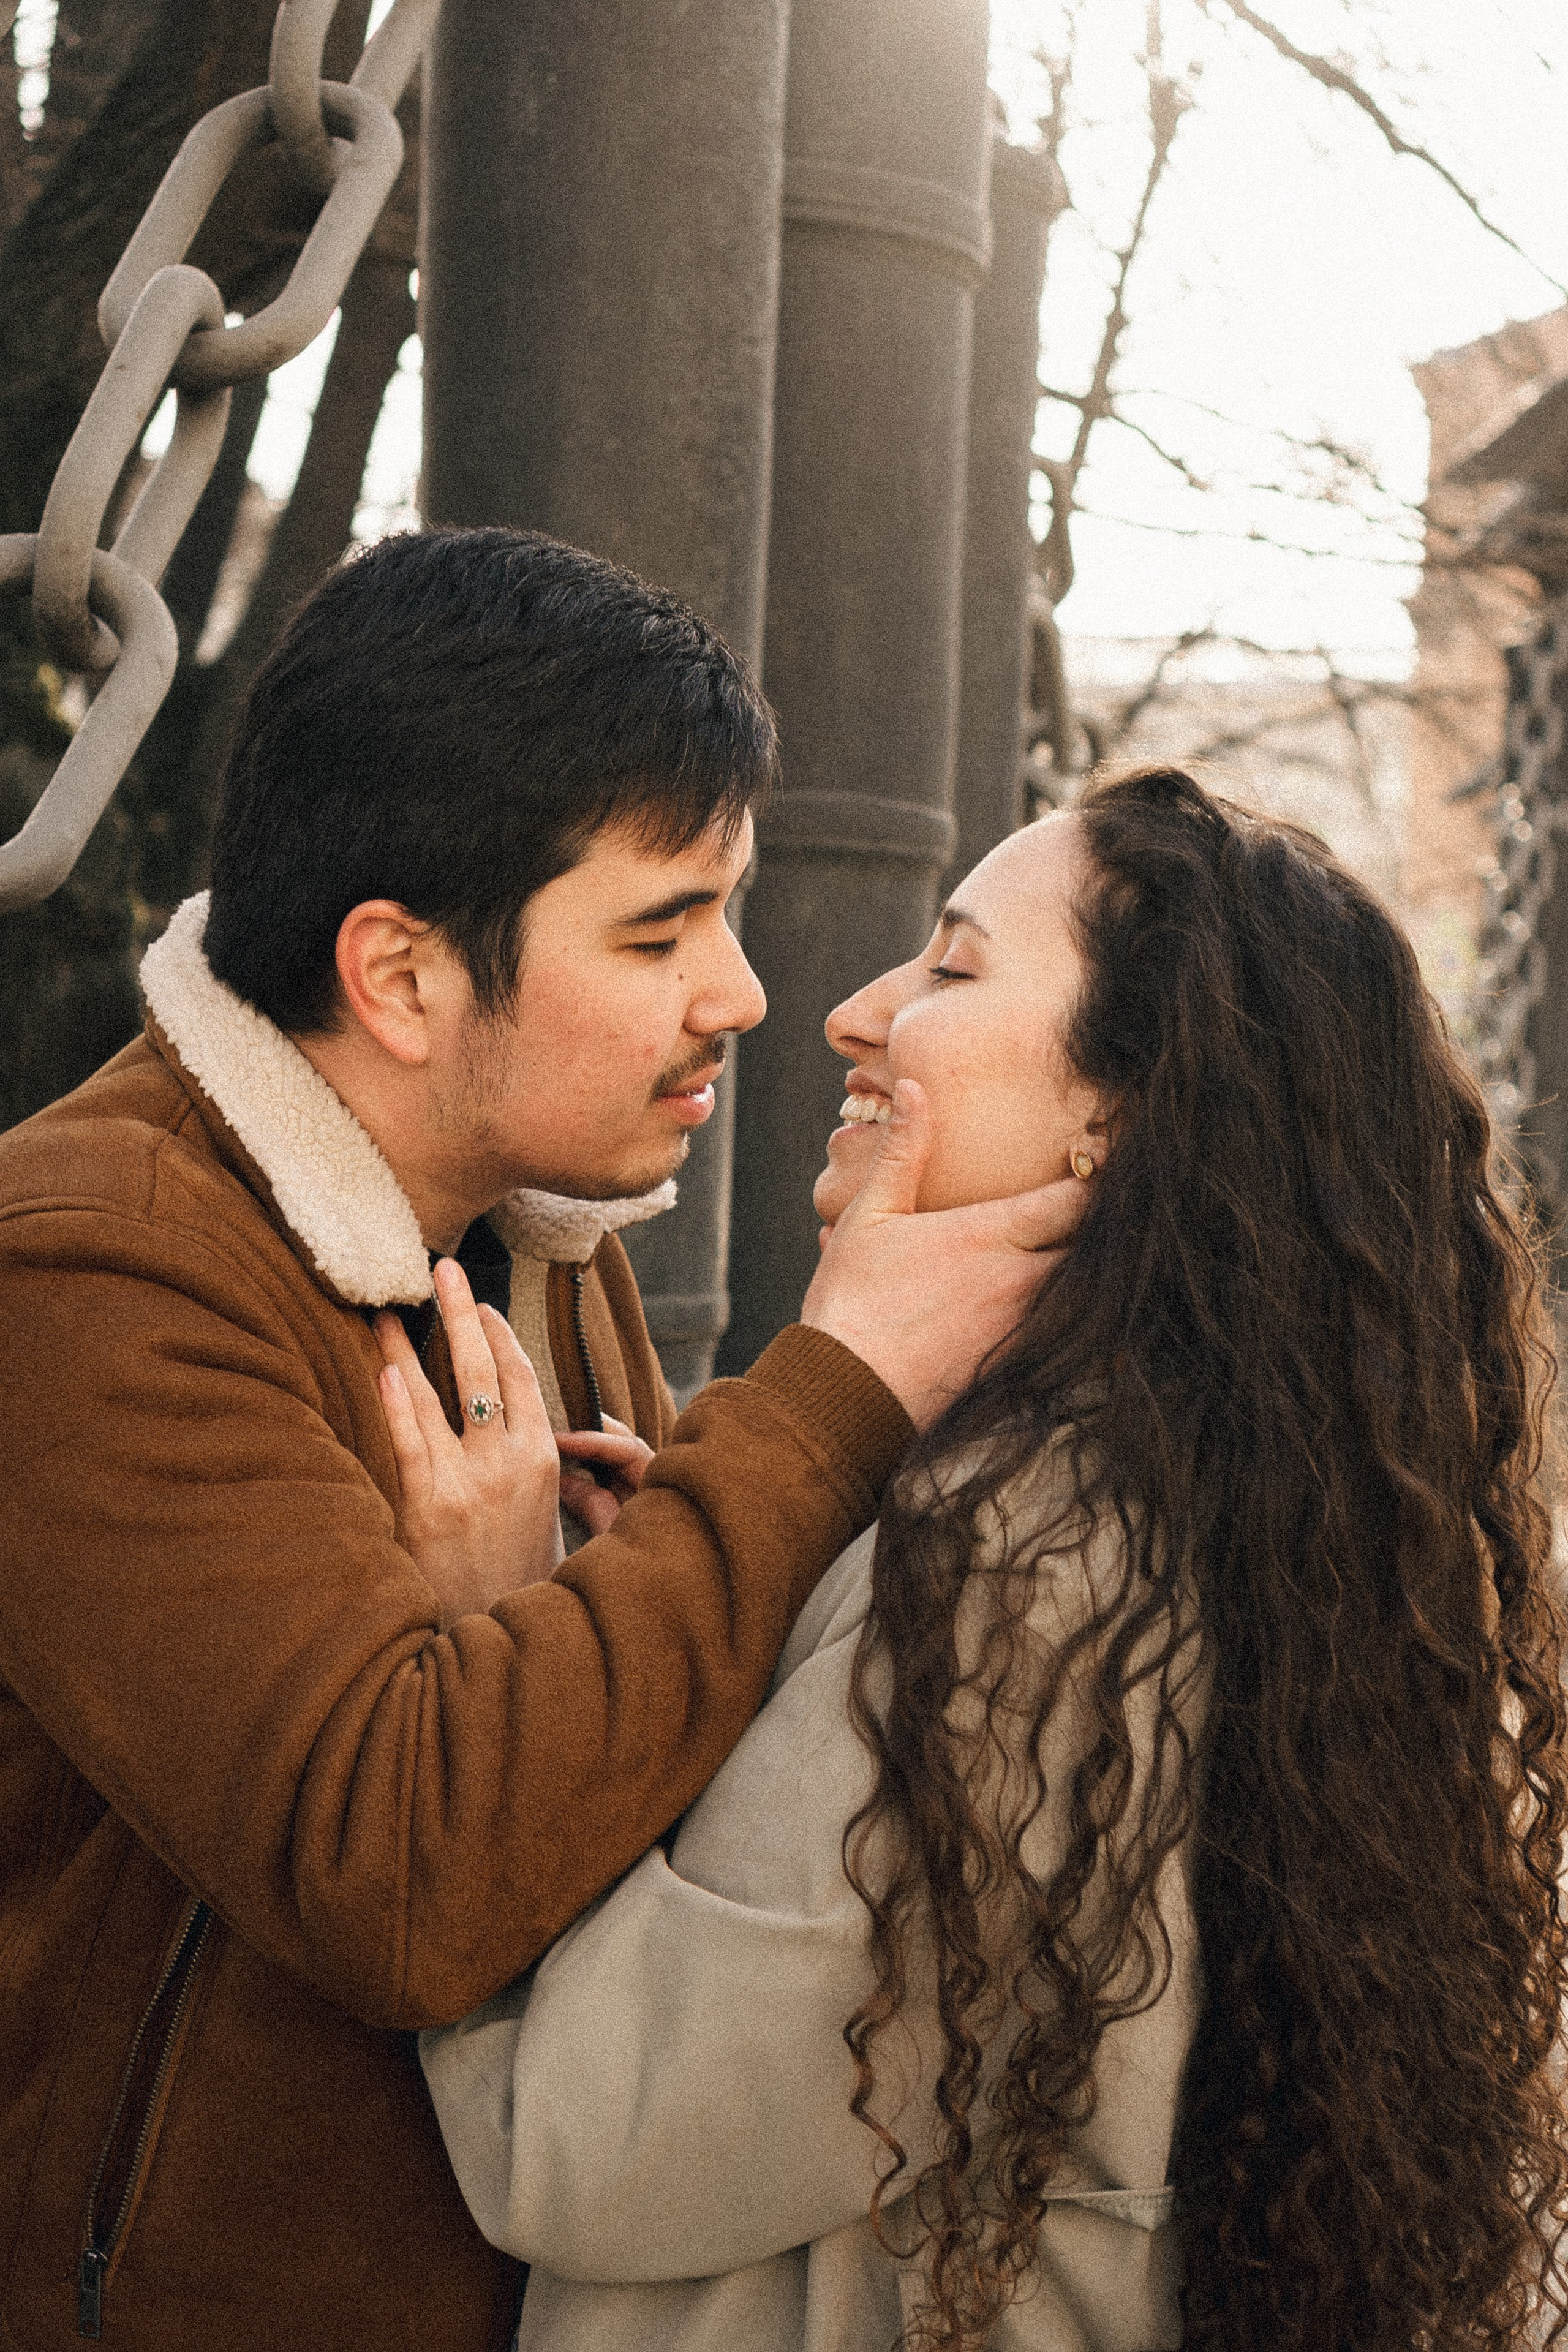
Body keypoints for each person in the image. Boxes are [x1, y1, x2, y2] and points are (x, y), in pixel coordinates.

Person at [0, 528, 1088, 2352]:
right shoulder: (97, 1265)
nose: (738, 995)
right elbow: (410, 1878)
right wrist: (841, 1384)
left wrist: (543, 1614)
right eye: (662, 930)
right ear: (403, 975)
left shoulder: (522, 1236)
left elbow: (596, 1795)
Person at [420, 766, 1568, 2352]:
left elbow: (576, 2135)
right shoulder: (1280, 1515)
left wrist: (494, 1626)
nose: (850, 1012)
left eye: (951, 968)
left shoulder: (1024, 1564)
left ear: (1123, 1103)